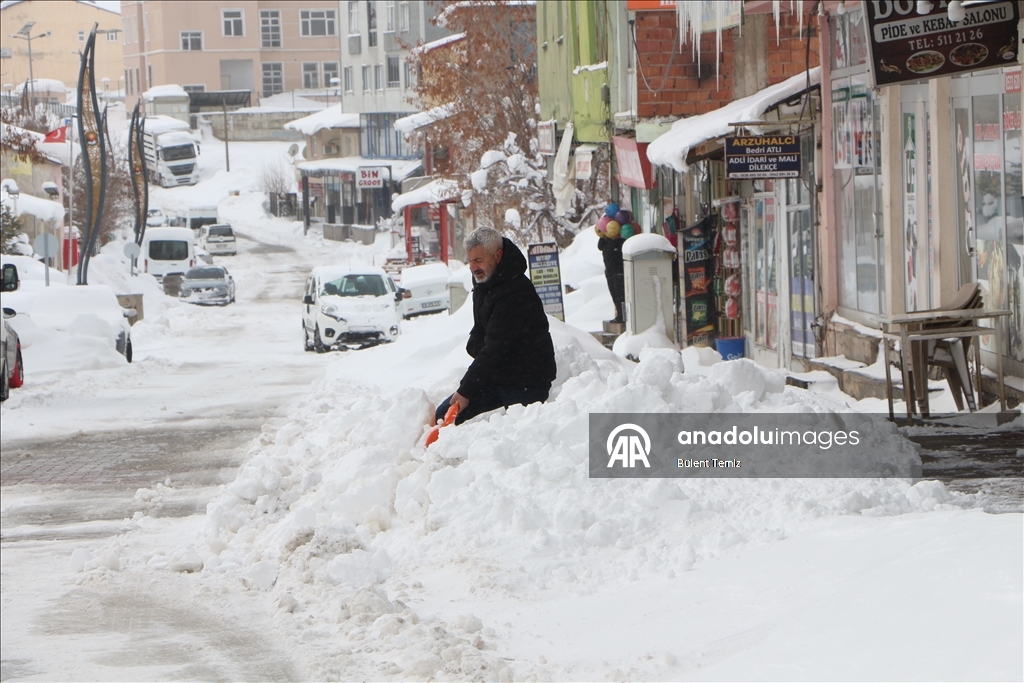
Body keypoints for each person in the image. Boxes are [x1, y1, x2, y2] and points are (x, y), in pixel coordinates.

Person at [435, 227, 557, 425]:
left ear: (498, 256)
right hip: (500, 374)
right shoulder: (486, 283)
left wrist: (466, 390)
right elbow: (484, 329)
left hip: (527, 381)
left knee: (513, 433)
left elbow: (496, 348)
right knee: (444, 414)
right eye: (470, 261)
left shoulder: (514, 293)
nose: (473, 267)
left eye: (479, 260)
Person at [598, 234, 625, 323]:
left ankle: (622, 315)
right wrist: (604, 236)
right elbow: (600, 246)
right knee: (614, 294)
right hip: (610, 271)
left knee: (620, 294)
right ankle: (619, 314)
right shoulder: (606, 240)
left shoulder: (620, 241)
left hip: (619, 271)